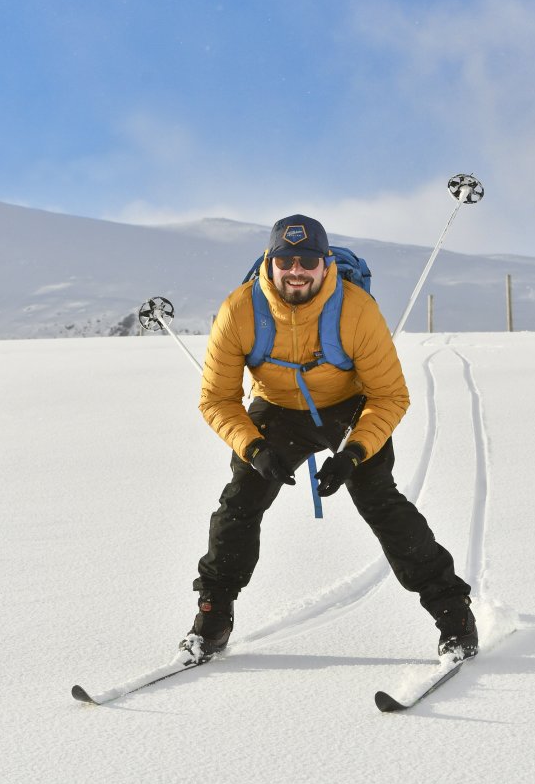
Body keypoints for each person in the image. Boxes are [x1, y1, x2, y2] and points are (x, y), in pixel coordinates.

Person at [178, 213, 477, 664]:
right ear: (270, 261)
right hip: (277, 409)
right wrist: (254, 448)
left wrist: (355, 453)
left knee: (378, 498)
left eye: (307, 261)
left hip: (349, 406)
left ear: (324, 264)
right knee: (241, 499)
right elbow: (216, 399)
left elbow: (390, 395)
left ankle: (453, 614)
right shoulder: (239, 309)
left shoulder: (356, 310)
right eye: (285, 260)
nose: (295, 270)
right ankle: (212, 616)